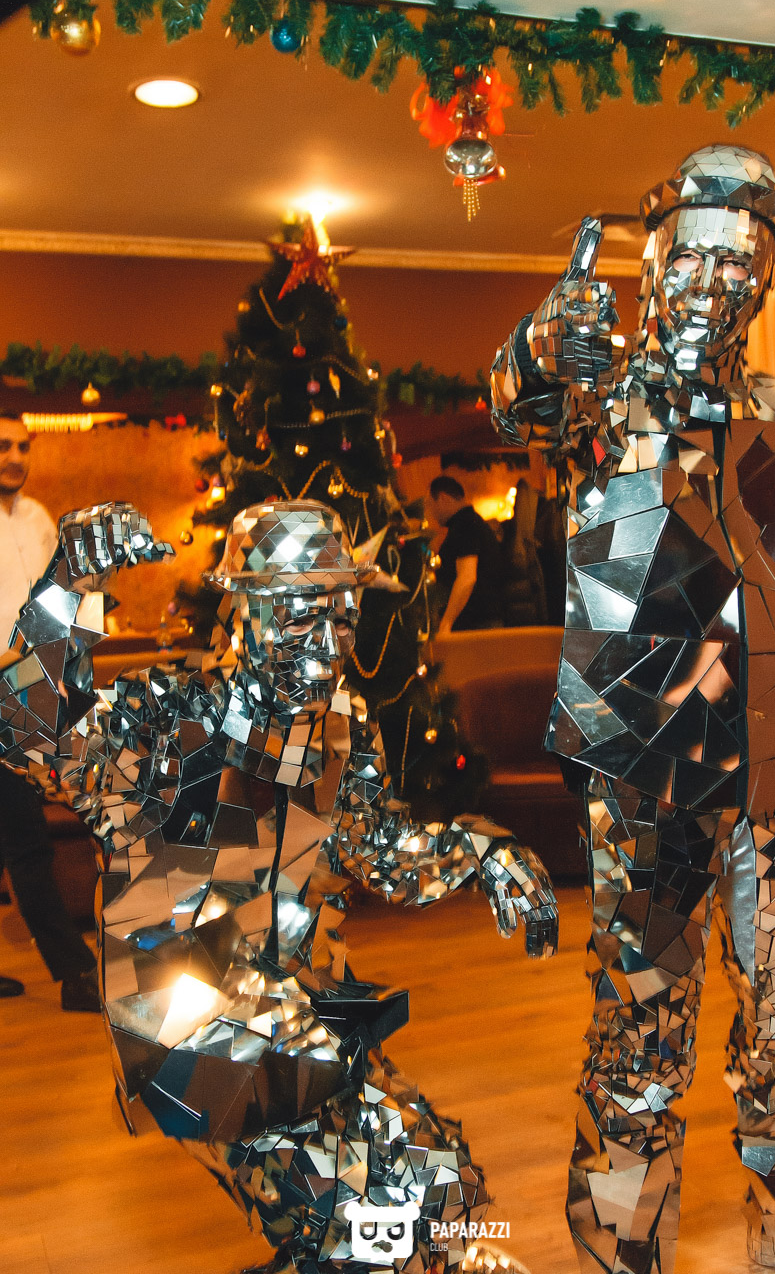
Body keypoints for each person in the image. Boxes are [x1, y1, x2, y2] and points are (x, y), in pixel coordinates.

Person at [0, 497, 557, 1274]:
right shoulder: (176, 719)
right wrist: (65, 583)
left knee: (441, 1188)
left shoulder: (335, 723)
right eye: (300, 617)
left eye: (340, 618)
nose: (327, 646)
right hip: (186, 1022)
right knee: (363, 1227)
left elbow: (375, 845)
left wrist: (478, 850)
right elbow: (28, 734)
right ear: (246, 612)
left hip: (296, 1004)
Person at [490, 145, 775, 1274]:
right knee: (644, 1020)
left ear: (763, 277)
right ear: (654, 263)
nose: (713, 281)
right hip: (648, 767)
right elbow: (519, 401)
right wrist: (543, 343)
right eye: (690, 257)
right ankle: (619, 1238)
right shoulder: (605, 399)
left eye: (739, 261)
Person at [0, 413, 98, 1010]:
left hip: (29, 692)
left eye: (21, 446)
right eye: (3, 446)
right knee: (26, 839)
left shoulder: (38, 519)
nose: (14, 456)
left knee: (16, 836)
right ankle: (75, 974)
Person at [429, 475, 504, 633]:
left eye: (431, 505)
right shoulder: (472, 522)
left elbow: (467, 578)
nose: (432, 513)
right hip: (482, 622)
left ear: (443, 498)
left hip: (477, 625)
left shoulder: (465, 525)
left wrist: (446, 623)